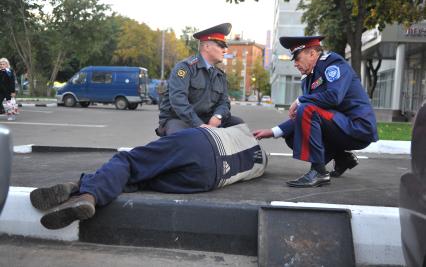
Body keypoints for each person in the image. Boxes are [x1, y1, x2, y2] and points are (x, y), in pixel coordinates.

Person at [30, 123, 267, 230]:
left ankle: (86, 191)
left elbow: (219, 125)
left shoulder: (241, 128)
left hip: (200, 142)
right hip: (209, 179)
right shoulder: (262, 162)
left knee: (128, 161)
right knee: (140, 180)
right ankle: (81, 191)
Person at [253, 36, 378, 188]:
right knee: (292, 137)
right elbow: (309, 115)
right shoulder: (308, 79)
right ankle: (342, 158)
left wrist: (300, 100)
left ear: (312, 53)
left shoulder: (332, 63)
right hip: (339, 126)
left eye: (297, 58)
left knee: (306, 109)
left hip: (358, 127)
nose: (295, 64)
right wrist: (273, 132)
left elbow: (333, 97)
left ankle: (319, 172)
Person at [157, 23, 243, 136]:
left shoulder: (219, 75)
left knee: (239, 126)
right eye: (221, 46)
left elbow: (224, 102)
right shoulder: (185, 68)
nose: (225, 51)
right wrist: (198, 124)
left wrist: (218, 116)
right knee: (183, 137)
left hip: (206, 119)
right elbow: (178, 100)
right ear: (206, 47)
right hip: (179, 119)